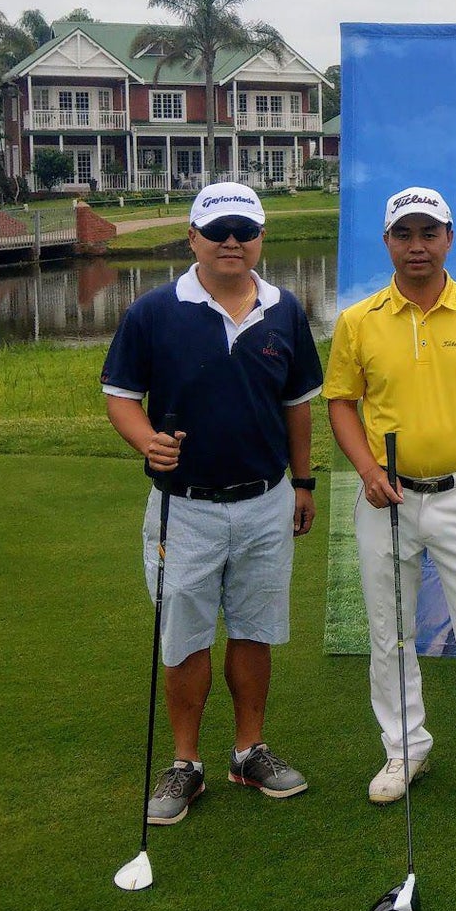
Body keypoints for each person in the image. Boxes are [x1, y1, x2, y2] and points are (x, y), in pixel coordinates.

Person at [102, 181, 323, 825]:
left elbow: (297, 406)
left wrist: (303, 483)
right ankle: (185, 764)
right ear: (192, 238)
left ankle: (249, 750)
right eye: (218, 230)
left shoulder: (285, 311)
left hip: (265, 501)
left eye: (244, 231)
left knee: (255, 631)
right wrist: (147, 442)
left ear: (260, 239)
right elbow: (120, 393)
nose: (232, 242)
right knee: (185, 635)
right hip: (185, 505)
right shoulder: (153, 311)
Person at [324, 186, 456, 827]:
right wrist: (365, 468)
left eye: (429, 233)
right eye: (404, 235)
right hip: (385, 497)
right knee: (389, 632)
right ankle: (404, 748)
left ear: (449, 239)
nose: (416, 246)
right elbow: (341, 400)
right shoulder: (360, 320)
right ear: (388, 242)